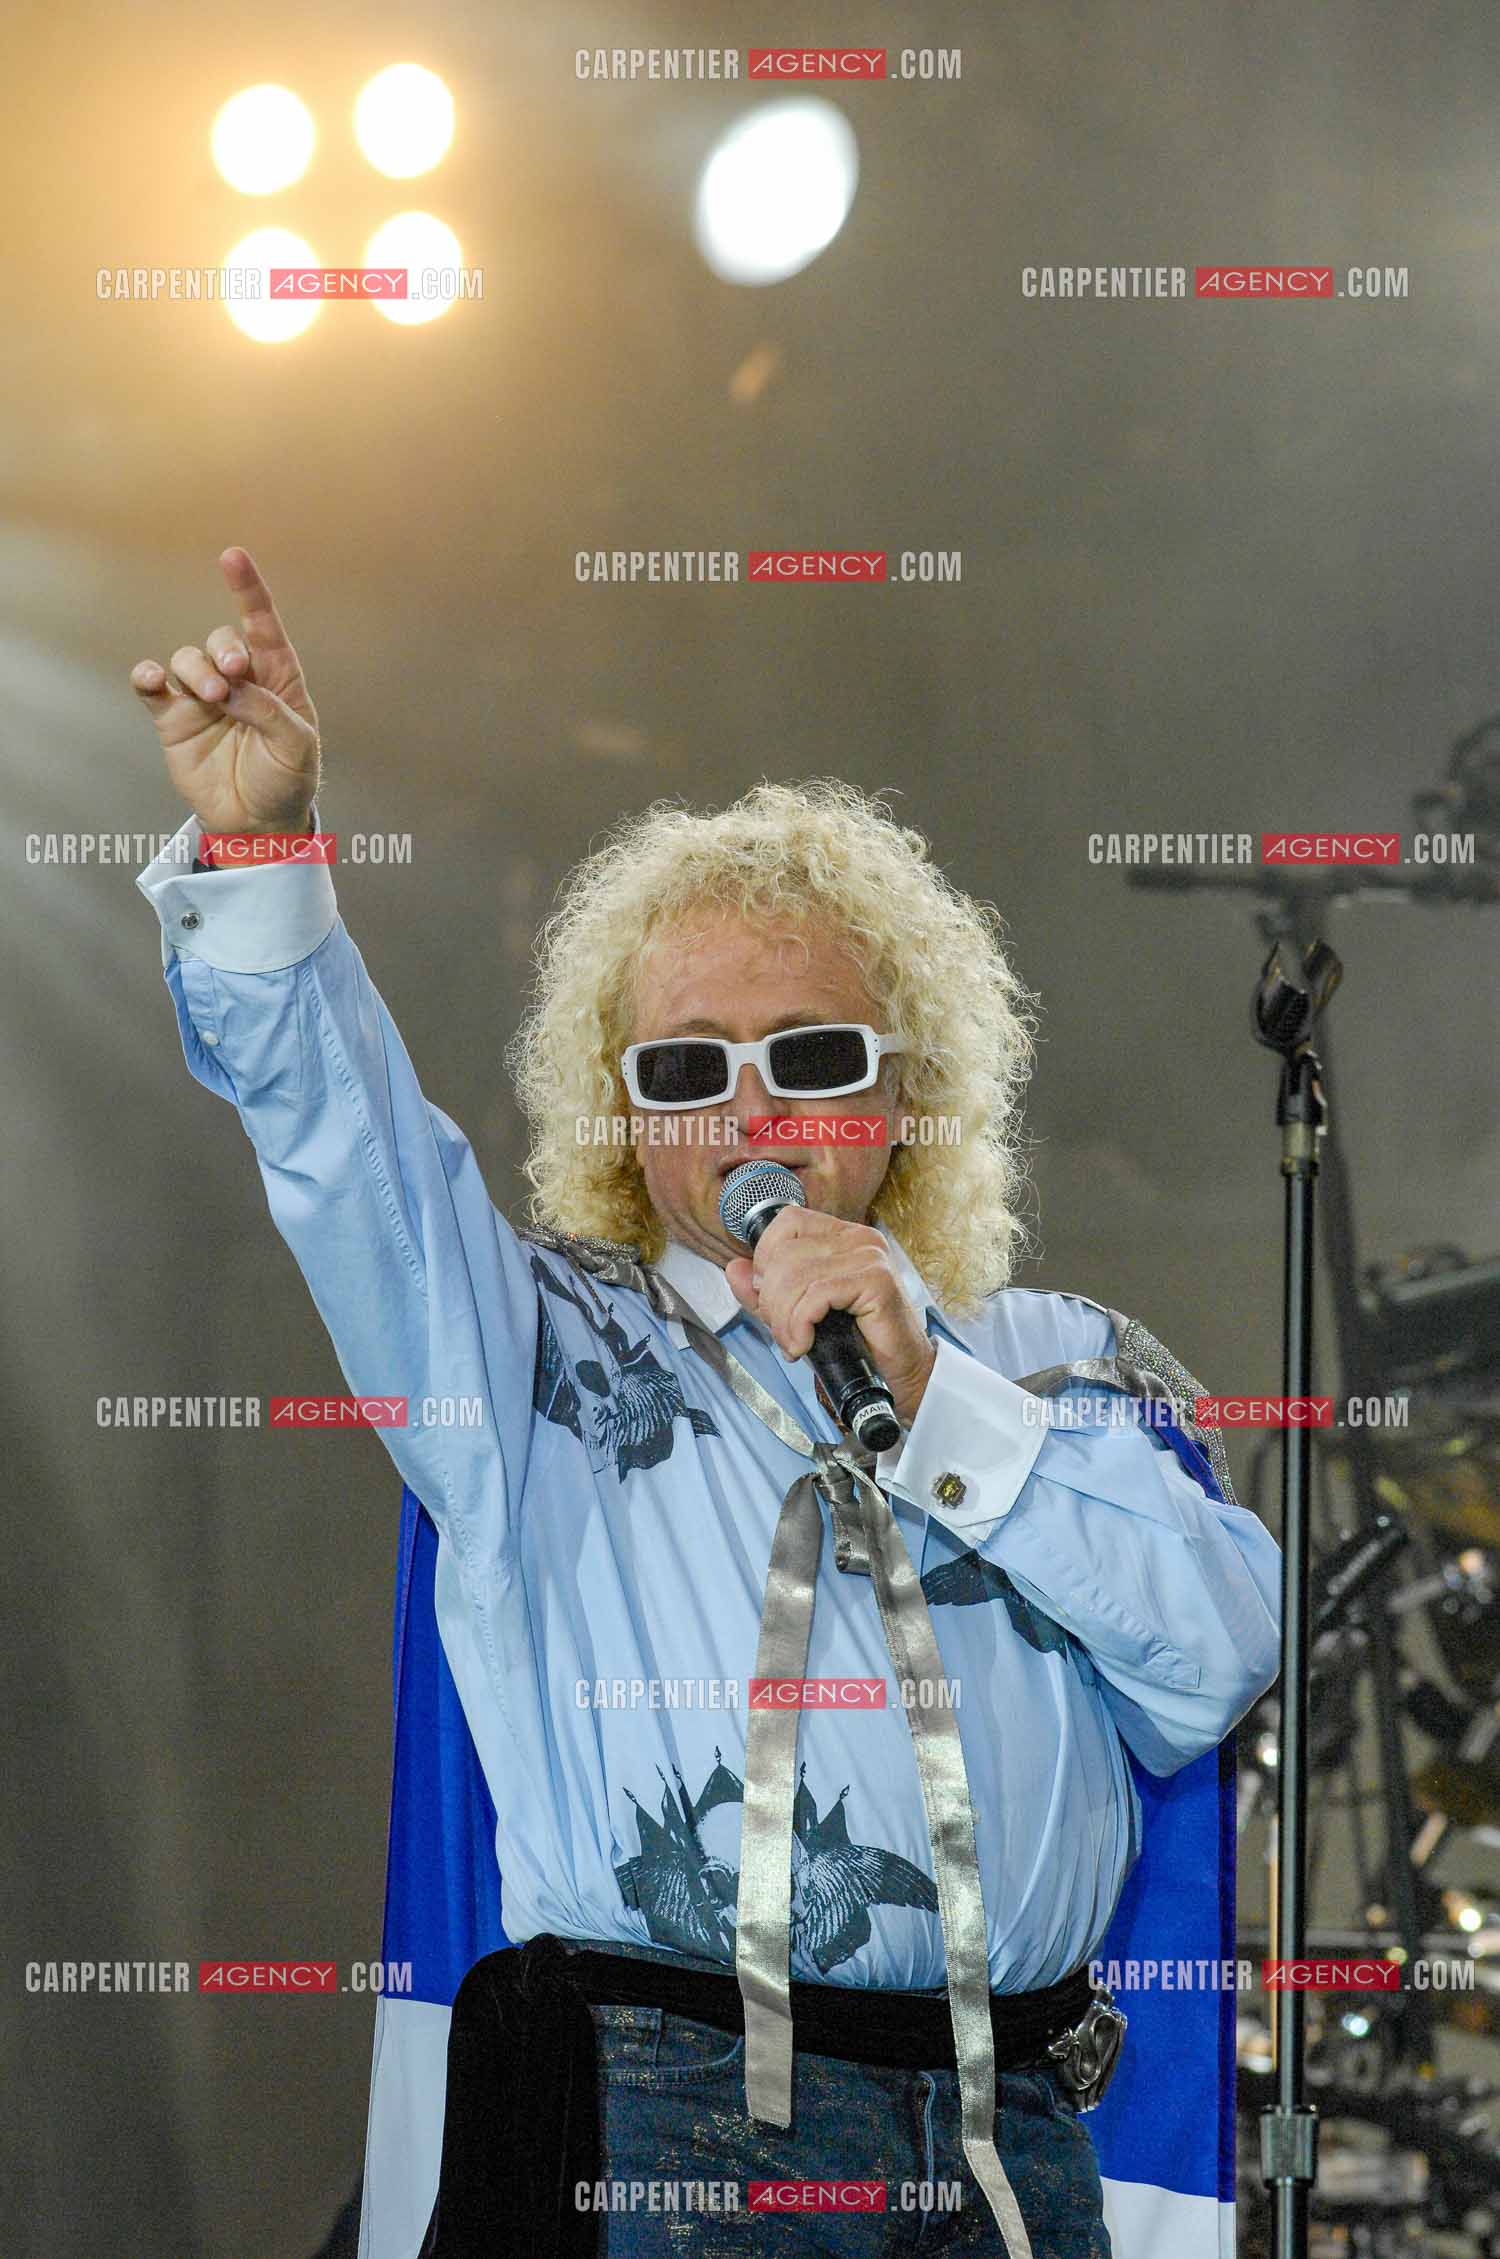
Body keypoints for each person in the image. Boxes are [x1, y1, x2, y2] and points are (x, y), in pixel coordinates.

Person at [131, 548, 1282, 2259]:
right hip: (676, 2108)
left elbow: (1220, 1652)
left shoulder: (1054, 1356)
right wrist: (267, 850)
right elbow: (341, 1141)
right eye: (688, 1066)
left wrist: (936, 1395)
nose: (751, 1104)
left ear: (911, 1087)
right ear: (628, 1112)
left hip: (1014, 2128)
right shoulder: (518, 1340)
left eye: (811, 1055)